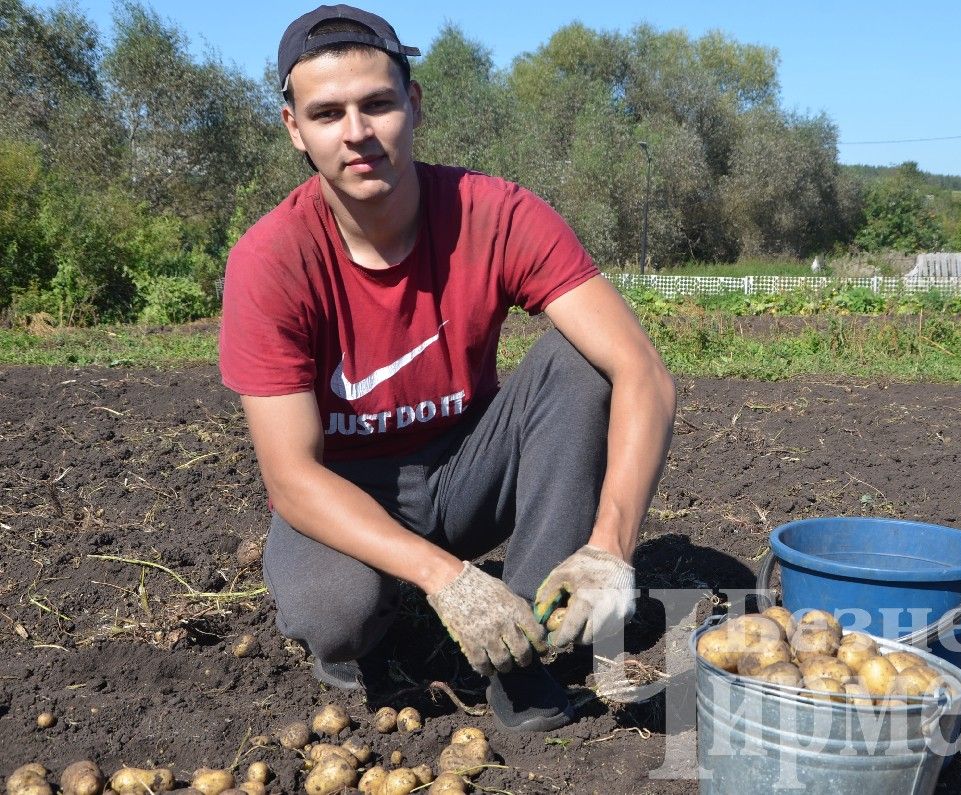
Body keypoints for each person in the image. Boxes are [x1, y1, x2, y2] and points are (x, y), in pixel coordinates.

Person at [218, 4, 675, 733]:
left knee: (580, 359)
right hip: (347, 492)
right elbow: (290, 478)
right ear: (293, 128)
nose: (357, 133)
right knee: (335, 610)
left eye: (377, 103)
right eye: (327, 113)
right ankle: (379, 627)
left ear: (414, 103)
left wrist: (609, 549)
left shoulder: (494, 213)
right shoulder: (271, 260)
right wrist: (447, 578)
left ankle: (529, 653)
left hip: (465, 471)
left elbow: (642, 370)